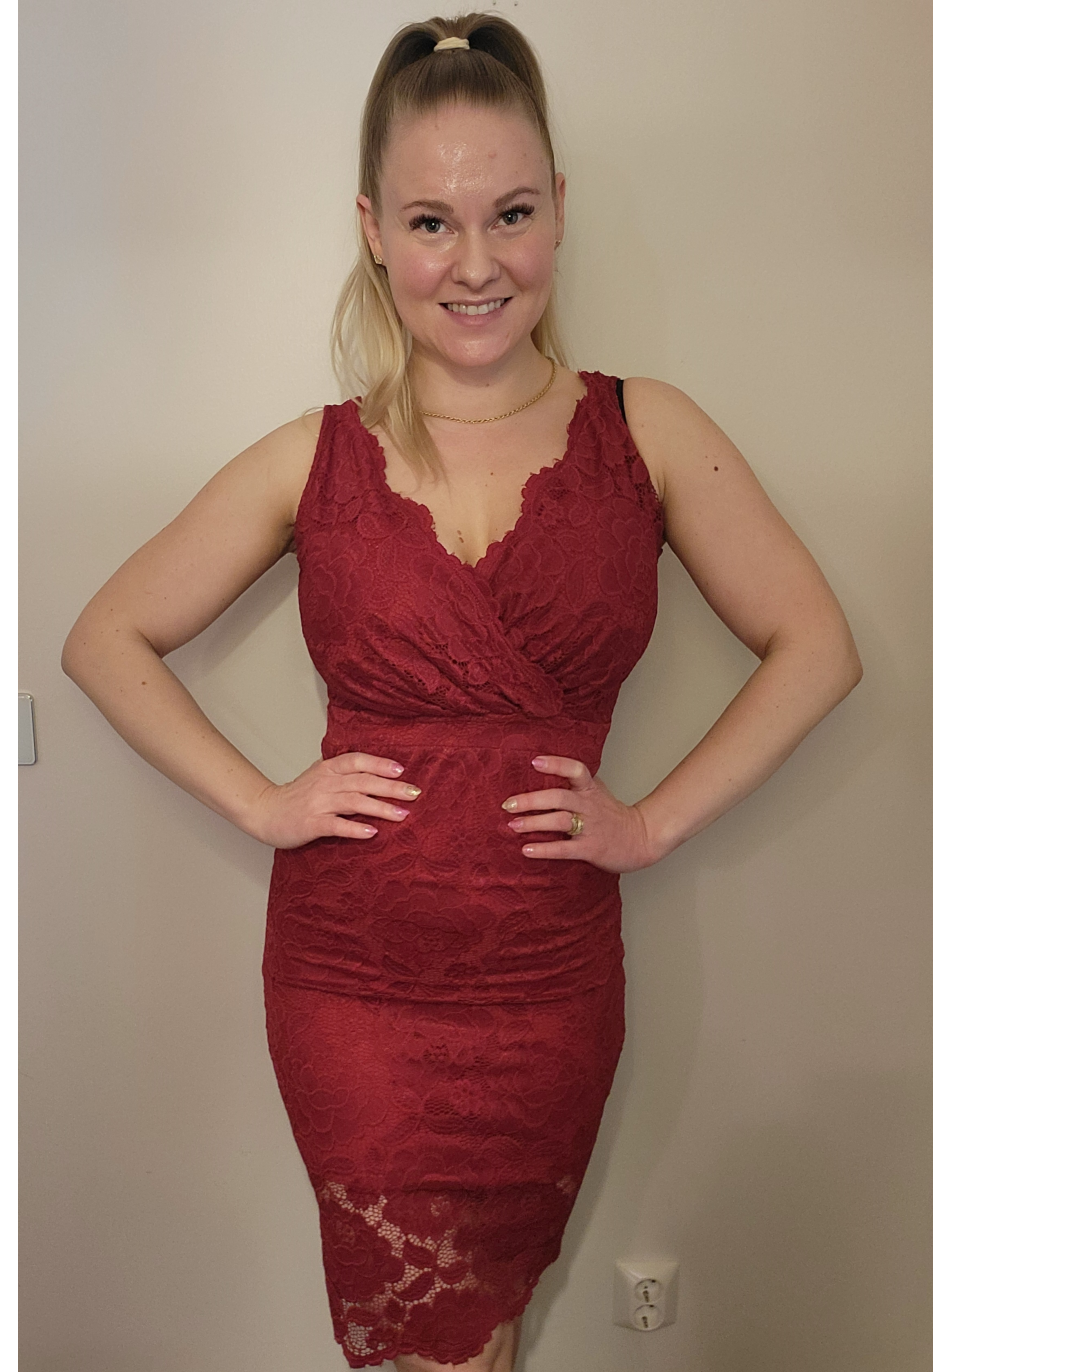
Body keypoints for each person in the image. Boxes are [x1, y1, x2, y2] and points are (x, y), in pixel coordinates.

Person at [61, 12, 862, 1371]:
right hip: (352, 982)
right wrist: (262, 802)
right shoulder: (313, 458)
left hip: (549, 983)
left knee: (489, 1331)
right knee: (420, 1349)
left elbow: (818, 647)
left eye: (512, 214)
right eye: (433, 222)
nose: (477, 263)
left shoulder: (649, 432)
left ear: (561, 210)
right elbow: (106, 638)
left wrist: (651, 825)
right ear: (373, 230)